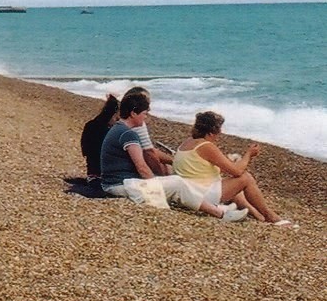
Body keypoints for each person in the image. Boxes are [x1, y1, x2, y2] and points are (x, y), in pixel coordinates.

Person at [99, 91, 244, 220]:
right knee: (177, 182)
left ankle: (218, 208)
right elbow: (141, 166)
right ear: (133, 113)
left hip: (117, 183)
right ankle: (222, 214)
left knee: (175, 183)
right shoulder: (128, 134)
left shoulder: (118, 129)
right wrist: (155, 185)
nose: (146, 118)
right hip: (119, 185)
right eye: (145, 114)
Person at [173, 111, 284, 223]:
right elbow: (237, 172)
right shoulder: (205, 146)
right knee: (245, 178)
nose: (220, 133)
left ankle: (257, 214)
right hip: (201, 194)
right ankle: (269, 215)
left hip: (189, 191)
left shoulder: (188, 142)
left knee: (234, 185)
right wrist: (249, 154)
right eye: (219, 130)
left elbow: (202, 167)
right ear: (211, 133)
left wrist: (229, 162)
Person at [121, 85, 174, 175]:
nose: (149, 108)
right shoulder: (136, 124)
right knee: (170, 171)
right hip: (127, 172)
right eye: (145, 103)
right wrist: (161, 176)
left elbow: (150, 150)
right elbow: (148, 153)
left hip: (116, 168)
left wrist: (173, 161)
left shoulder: (120, 120)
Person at [81, 94, 119, 179]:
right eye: (117, 119)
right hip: (107, 177)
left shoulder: (90, 125)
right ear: (114, 115)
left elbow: (85, 151)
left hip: (92, 173)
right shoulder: (111, 132)